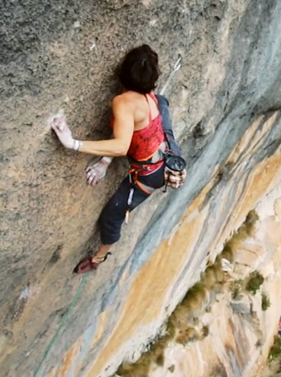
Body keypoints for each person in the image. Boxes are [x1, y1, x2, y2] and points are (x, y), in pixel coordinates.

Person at [50, 44, 187, 274]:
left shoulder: (123, 102)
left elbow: (121, 145)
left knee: (112, 217)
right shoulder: (149, 94)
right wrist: (105, 162)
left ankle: (98, 259)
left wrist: (73, 143)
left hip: (150, 173)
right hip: (168, 148)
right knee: (162, 102)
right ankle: (174, 167)